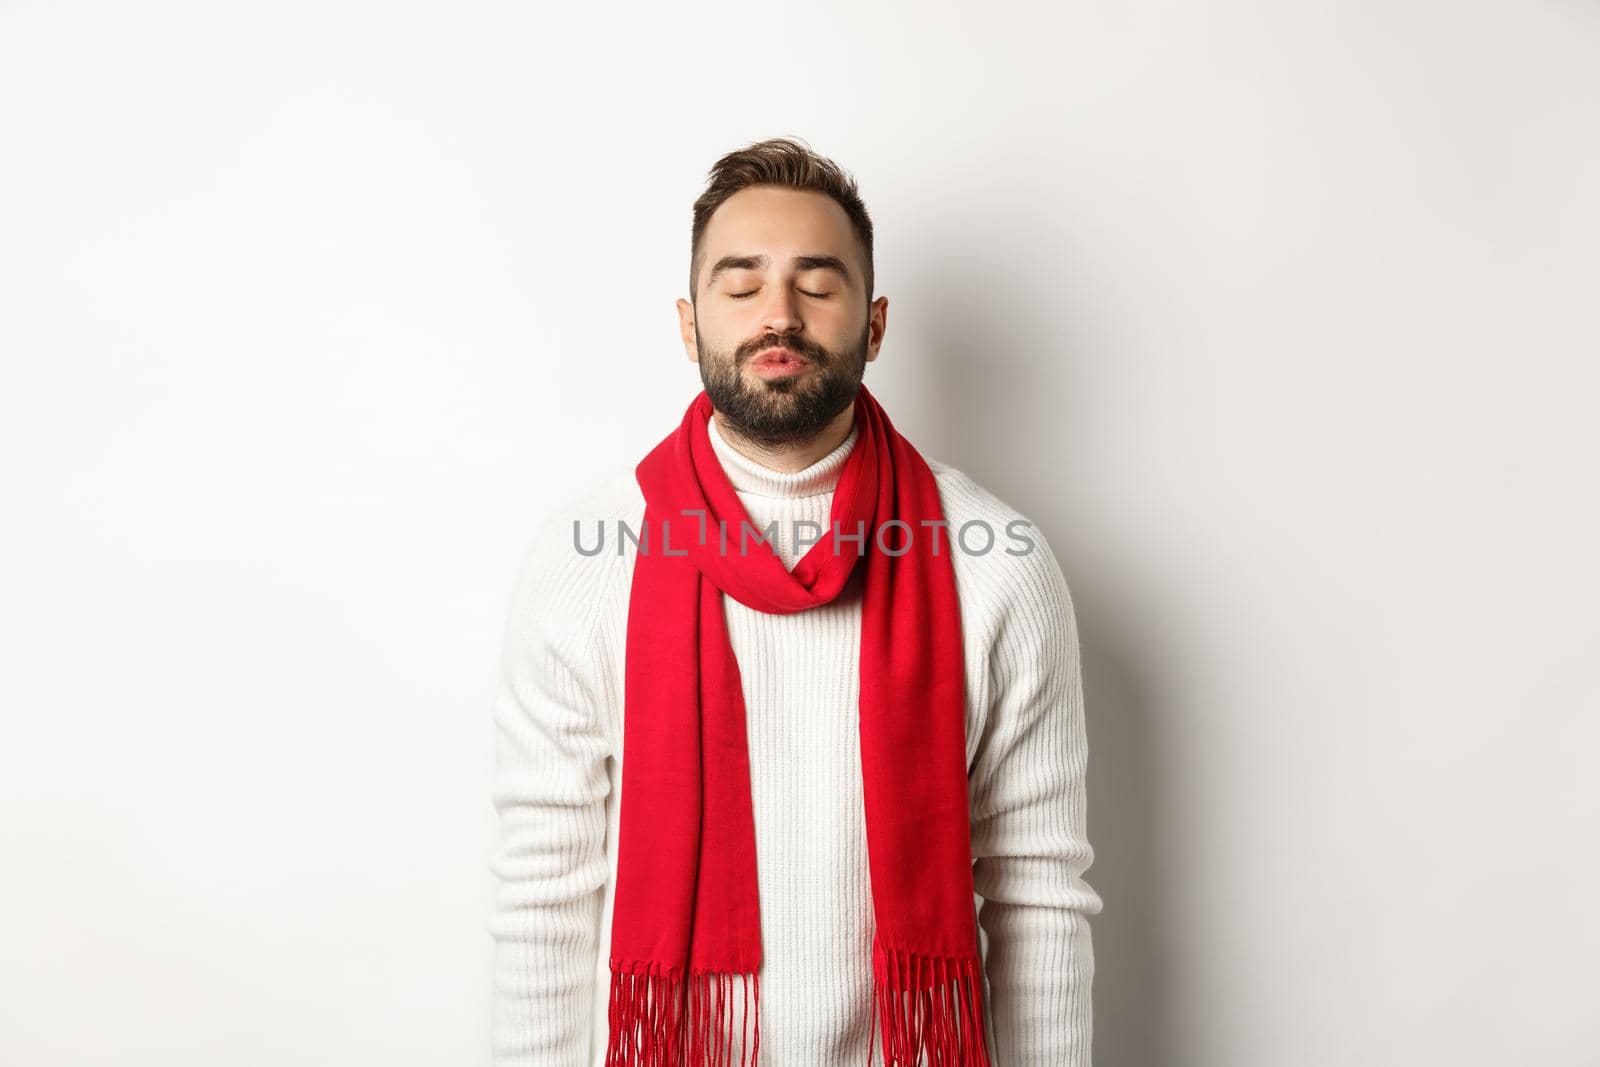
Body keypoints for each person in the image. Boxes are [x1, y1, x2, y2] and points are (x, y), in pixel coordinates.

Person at [489, 137, 1103, 1067]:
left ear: (877, 322)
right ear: (691, 326)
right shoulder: (582, 563)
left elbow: (1038, 892)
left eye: (817, 283)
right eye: (741, 285)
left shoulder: (1000, 564)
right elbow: (544, 893)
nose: (779, 313)